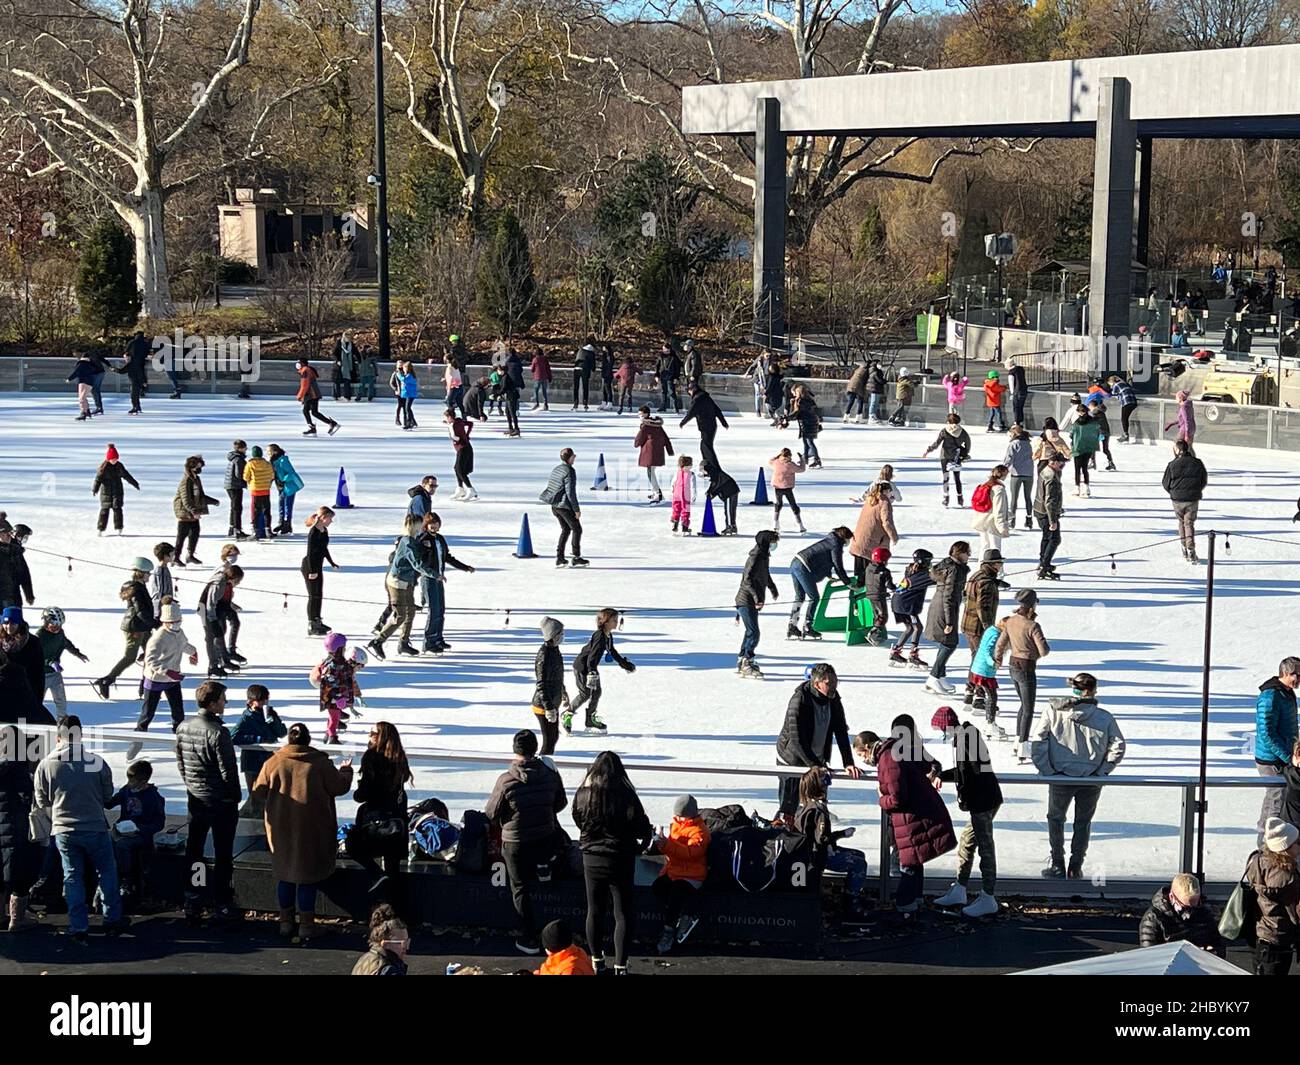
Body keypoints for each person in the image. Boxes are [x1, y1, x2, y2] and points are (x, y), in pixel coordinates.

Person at [254, 722, 353, 942]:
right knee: (307, 876)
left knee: (285, 875)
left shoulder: (273, 762)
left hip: (281, 829)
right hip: (312, 829)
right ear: (308, 740)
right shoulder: (320, 763)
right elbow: (339, 787)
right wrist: (346, 771)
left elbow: (258, 792)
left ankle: (285, 922)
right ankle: (307, 926)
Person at [33, 717, 126, 942]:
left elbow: (41, 799)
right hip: (95, 827)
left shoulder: (46, 764)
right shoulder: (96, 762)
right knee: (107, 872)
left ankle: (78, 926)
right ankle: (112, 918)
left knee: (72, 876)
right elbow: (106, 797)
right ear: (81, 735)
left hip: (63, 830)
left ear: (58, 736)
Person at [1032, 672, 1125, 879]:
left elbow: (1038, 741)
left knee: (1055, 819)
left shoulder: (1053, 712)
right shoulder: (1104, 717)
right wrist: (1102, 771)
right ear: (1093, 690)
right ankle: (1075, 866)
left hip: (1060, 777)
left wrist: (1048, 770)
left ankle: (1057, 863)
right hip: (1091, 779)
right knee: (1083, 822)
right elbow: (1118, 746)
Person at [856, 717, 955, 913]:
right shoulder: (899, 750)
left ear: (867, 748)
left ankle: (905, 909)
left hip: (912, 819)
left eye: (860, 755)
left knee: (908, 863)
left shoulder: (888, 759)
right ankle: (914, 903)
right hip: (920, 815)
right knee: (914, 860)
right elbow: (931, 765)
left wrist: (881, 799)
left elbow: (898, 798)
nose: (862, 760)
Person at [484, 729, 568, 954]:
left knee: (519, 887)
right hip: (545, 836)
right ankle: (544, 866)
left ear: (515, 750)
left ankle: (529, 937)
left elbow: (491, 813)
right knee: (540, 867)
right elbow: (560, 802)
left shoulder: (506, 780)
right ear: (535, 749)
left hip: (515, 842)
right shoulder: (550, 775)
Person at [573, 750, 652, 975]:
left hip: (592, 858)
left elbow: (577, 818)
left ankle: (597, 960)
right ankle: (621, 966)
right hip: (620, 858)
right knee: (623, 913)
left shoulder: (583, 793)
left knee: (594, 910)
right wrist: (640, 843)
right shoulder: (626, 794)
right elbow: (641, 826)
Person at [176, 680, 242, 923]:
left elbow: (181, 763)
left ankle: (194, 896)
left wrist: (193, 787)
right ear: (213, 703)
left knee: (195, 849)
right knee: (223, 854)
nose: (226, 702)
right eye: (223, 698)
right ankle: (222, 901)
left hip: (197, 798)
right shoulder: (218, 732)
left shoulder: (183, 726)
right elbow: (228, 771)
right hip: (220, 802)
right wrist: (234, 796)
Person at [932, 707, 1004, 918]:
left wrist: (963, 793)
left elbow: (970, 771)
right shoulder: (964, 736)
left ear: (946, 725)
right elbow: (965, 771)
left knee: (985, 848)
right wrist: (942, 776)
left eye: (939, 728)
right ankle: (960, 888)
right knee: (966, 841)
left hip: (983, 802)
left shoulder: (967, 736)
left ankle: (988, 896)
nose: (939, 732)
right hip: (981, 801)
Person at [774, 663, 862, 821]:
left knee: (818, 802)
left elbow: (840, 730)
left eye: (836, 682)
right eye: (829, 683)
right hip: (792, 760)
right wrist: (816, 765)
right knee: (789, 806)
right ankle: (782, 834)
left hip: (817, 760)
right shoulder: (799, 701)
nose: (834, 686)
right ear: (816, 683)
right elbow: (797, 741)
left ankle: (815, 829)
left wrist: (848, 762)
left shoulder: (833, 698)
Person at [351, 720, 411, 904]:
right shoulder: (399, 758)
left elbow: (364, 794)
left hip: (377, 821)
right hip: (396, 822)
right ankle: (397, 912)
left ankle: (377, 876)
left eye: (372, 733)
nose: (369, 736)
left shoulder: (372, 757)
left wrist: (355, 787)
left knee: (352, 843)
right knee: (393, 868)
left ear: (381, 737)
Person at [794, 767, 869, 907]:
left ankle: (851, 892)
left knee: (859, 854)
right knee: (859, 864)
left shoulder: (805, 806)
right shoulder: (818, 809)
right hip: (818, 856)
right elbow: (822, 839)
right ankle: (851, 902)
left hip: (810, 853)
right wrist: (842, 834)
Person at [368, 516, 439, 660]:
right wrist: (434, 574)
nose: (422, 528)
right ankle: (378, 641)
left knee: (410, 612)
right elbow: (417, 563)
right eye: (420, 525)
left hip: (407, 581)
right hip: (397, 581)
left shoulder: (413, 540)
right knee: (400, 615)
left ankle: (404, 643)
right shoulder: (407, 542)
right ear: (414, 526)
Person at [994, 588, 1051, 763]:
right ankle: (1023, 746)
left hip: (1012, 665)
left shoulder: (1010, 621)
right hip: (1027, 668)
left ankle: (1018, 741)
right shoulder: (1033, 626)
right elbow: (1044, 650)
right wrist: (1032, 652)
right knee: (1028, 708)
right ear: (1032, 605)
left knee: (1023, 704)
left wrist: (997, 658)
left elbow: (1000, 643)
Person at [133, 598, 197, 753]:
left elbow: (183, 645)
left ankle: (179, 741)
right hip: (156, 679)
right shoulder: (158, 638)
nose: (177, 623)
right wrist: (167, 671)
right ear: (166, 622)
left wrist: (193, 651)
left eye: (179, 620)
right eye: (174, 621)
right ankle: (137, 741)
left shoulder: (179, 633)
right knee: (148, 713)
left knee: (178, 712)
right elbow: (150, 660)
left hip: (173, 679)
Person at [648, 795, 710, 953]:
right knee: (658, 888)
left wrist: (667, 845)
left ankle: (669, 929)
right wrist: (660, 843)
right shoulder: (676, 825)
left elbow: (690, 853)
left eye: (680, 815)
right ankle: (683, 915)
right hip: (674, 870)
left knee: (676, 893)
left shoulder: (700, 831)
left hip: (692, 875)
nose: (677, 817)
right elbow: (672, 850)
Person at [105, 759, 165, 911]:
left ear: (143, 781)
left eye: (132, 781)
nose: (129, 783)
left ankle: (125, 877)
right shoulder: (126, 790)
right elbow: (111, 802)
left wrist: (140, 829)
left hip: (140, 835)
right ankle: (110, 877)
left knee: (122, 845)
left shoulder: (154, 797)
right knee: (107, 841)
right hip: (122, 830)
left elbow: (159, 823)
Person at [91, 557, 155, 700]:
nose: (150, 575)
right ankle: (107, 680)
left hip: (142, 627)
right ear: (140, 573)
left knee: (152, 654)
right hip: (135, 628)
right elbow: (141, 611)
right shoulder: (136, 589)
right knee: (130, 657)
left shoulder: (138, 587)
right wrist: (154, 623)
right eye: (148, 573)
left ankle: (145, 686)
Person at [1254, 657, 1300, 848]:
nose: (1299, 678)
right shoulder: (1270, 697)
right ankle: (1269, 850)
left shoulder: (1286, 693)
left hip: (1281, 757)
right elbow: (1266, 733)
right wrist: (1287, 756)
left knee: (1274, 798)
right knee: (1277, 801)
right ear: (1285, 673)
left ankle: (1264, 844)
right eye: (1295, 674)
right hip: (1272, 760)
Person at [566, 608, 634, 735]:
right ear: (606, 622)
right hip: (582, 667)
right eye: (614, 620)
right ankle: (567, 715)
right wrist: (591, 673)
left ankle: (590, 719)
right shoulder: (600, 636)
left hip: (591, 668)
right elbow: (592, 656)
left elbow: (612, 651)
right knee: (585, 693)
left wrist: (624, 664)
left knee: (596, 692)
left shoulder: (607, 635)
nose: (617, 622)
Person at [1246, 818, 1300, 975]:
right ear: (1286, 848)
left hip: (1258, 932)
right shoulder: (1287, 877)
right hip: (1279, 938)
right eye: (1297, 842)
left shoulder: (1256, 860)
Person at [417, 511, 475, 654]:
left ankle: (438, 638)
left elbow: (447, 557)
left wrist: (464, 567)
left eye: (436, 523)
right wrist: (432, 574)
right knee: (434, 610)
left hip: (439, 579)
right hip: (428, 578)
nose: (434, 526)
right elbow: (419, 562)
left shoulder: (440, 539)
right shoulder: (423, 539)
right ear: (426, 525)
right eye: (431, 524)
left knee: (441, 610)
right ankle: (429, 641)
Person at [0, 722, 39, 930]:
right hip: (14, 826)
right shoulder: (17, 766)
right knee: (19, 872)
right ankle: (17, 918)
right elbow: (27, 795)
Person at [923, 541, 971, 696]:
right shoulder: (955, 570)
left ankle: (940, 676)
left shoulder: (947, 564)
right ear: (960, 553)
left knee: (946, 642)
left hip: (939, 606)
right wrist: (949, 622)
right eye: (967, 553)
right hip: (945, 610)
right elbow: (949, 596)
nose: (969, 555)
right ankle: (933, 677)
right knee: (950, 642)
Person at [787, 526, 852, 640]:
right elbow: (838, 566)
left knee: (800, 596)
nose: (848, 542)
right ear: (844, 538)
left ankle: (792, 625)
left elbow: (822, 558)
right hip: (803, 567)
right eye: (848, 539)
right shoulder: (835, 545)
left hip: (795, 562)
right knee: (814, 597)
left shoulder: (829, 539)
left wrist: (828, 575)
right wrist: (847, 582)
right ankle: (808, 626)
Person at [231, 684, 286, 818]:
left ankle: (266, 821)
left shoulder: (270, 713)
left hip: (269, 761)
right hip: (252, 764)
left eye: (266, 699)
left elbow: (282, 732)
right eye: (261, 700)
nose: (264, 703)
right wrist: (257, 739)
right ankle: (252, 822)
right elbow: (233, 737)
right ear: (251, 702)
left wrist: (273, 720)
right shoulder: (246, 718)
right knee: (256, 795)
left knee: (271, 795)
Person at [1137, 873, 1224, 955]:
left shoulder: (1204, 912)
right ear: (1171, 897)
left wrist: (1214, 952)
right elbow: (1149, 957)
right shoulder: (1153, 919)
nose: (1189, 913)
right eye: (1184, 907)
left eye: (1195, 905)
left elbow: (1219, 947)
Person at [736, 530, 780, 679]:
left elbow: (765, 574)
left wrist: (772, 587)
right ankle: (747, 661)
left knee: (750, 631)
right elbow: (746, 581)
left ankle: (742, 659)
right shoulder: (755, 557)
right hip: (745, 600)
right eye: (774, 541)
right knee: (754, 632)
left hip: (751, 600)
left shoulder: (764, 556)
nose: (776, 544)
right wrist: (756, 598)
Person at [1162, 439, 1207, 564]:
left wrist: (1174, 492)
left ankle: (1184, 547)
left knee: (1182, 522)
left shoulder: (1172, 464)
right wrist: (1195, 490)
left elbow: (1165, 483)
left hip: (1177, 499)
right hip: (1192, 498)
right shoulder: (1197, 463)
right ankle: (1191, 549)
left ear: (1177, 450)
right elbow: (1203, 480)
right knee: (1189, 523)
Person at [313, 633, 364, 744]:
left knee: (333, 716)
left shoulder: (333, 662)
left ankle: (328, 734)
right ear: (339, 649)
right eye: (344, 647)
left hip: (335, 698)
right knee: (334, 717)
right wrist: (338, 697)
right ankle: (332, 737)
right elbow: (331, 683)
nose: (345, 649)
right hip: (334, 698)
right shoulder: (334, 665)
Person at [37, 607, 87, 720]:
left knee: (61, 702)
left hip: (55, 675)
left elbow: (65, 642)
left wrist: (77, 653)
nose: (57, 628)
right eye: (54, 625)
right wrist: (50, 663)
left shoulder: (60, 633)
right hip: (41, 676)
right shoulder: (40, 636)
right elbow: (37, 656)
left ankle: (62, 724)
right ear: (46, 622)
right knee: (36, 702)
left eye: (59, 625)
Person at [889, 549, 934, 670]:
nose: (930, 563)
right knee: (917, 627)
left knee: (910, 628)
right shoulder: (921, 575)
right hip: (905, 605)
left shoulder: (911, 570)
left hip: (898, 602)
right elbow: (935, 578)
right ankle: (913, 655)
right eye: (928, 561)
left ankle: (895, 653)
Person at [541, 448, 587, 568]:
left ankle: (560, 558)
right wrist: (576, 509)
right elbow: (570, 492)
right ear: (569, 458)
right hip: (564, 506)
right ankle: (576, 557)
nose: (574, 458)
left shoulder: (557, 469)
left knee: (566, 529)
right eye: (573, 456)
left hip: (555, 506)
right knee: (577, 529)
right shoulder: (569, 471)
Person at [530, 617, 570, 756]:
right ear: (552, 635)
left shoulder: (555, 650)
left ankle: (545, 765)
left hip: (553, 701)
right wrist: (548, 708)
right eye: (560, 633)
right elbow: (541, 683)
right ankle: (542, 767)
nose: (563, 636)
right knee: (549, 741)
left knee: (554, 738)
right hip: (543, 705)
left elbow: (557, 675)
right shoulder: (544, 655)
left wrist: (563, 692)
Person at [848, 481, 899, 584]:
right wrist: (894, 537)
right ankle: (871, 596)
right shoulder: (884, 502)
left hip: (858, 540)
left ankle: (856, 597)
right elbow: (887, 522)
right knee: (870, 576)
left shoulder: (870, 499)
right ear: (887, 491)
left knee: (859, 577)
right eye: (890, 492)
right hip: (870, 543)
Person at [172, 454, 218, 566]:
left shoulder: (196, 479)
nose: (200, 469)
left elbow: (200, 496)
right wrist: (194, 511)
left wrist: (213, 501)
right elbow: (185, 498)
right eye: (198, 466)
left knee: (195, 534)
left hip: (193, 512)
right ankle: (176, 558)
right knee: (181, 536)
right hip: (184, 511)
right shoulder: (186, 480)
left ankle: (190, 555)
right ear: (191, 467)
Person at [960, 548, 1005, 655]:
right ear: (993, 564)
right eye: (1000, 563)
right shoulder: (987, 583)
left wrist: (996, 582)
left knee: (976, 657)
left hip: (968, 625)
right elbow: (982, 607)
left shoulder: (977, 575)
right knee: (980, 660)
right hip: (977, 628)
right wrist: (988, 628)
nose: (1001, 565)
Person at [301, 506, 338, 637]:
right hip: (310, 566)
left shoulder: (324, 531)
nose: (331, 521)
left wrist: (332, 562)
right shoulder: (314, 532)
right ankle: (311, 624)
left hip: (318, 566)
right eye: (330, 518)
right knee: (313, 596)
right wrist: (312, 571)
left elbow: (324, 549)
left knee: (319, 594)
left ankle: (318, 620)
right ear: (323, 518)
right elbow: (310, 553)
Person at [923, 413, 971, 508]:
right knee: (957, 478)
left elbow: (936, 444)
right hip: (956, 457)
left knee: (945, 477)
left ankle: (946, 498)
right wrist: (964, 454)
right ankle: (960, 499)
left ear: (949, 422)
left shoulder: (944, 431)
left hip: (944, 456)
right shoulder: (963, 432)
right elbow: (968, 444)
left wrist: (928, 451)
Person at [679, 382, 729, 474]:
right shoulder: (706, 397)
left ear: (692, 390)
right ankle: (707, 469)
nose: (689, 393)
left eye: (689, 391)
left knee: (706, 447)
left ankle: (714, 469)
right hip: (711, 426)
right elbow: (717, 410)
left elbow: (691, 413)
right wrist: (723, 422)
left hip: (706, 426)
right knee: (704, 447)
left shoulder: (697, 400)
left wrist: (683, 422)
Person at [92, 444, 141, 536]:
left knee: (118, 510)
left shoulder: (119, 466)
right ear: (108, 459)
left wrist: (135, 483)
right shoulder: (103, 468)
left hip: (117, 492)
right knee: (104, 512)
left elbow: (127, 476)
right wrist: (95, 489)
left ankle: (119, 528)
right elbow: (98, 479)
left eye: (116, 459)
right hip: (106, 493)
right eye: (112, 459)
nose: (114, 461)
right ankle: (101, 529)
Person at [1033, 454, 1067, 581]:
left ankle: (1043, 562)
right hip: (1046, 513)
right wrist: (1053, 520)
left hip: (1039, 509)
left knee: (1047, 538)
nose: (1063, 465)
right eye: (1061, 463)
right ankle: (1044, 566)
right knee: (1054, 539)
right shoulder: (1051, 477)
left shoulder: (1046, 471)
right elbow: (1049, 501)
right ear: (1053, 462)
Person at [352, 906, 411, 975]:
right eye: (401, 943)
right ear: (385, 944)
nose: (406, 948)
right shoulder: (389, 971)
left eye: (407, 942)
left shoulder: (365, 958)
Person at [634, 405, 673, 504]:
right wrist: (669, 450)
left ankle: (657, 493)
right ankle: (655, 491)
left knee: (650, 472)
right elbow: (666, 438)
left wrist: (636, 443)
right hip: (658, 451)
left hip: (650, 452)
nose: (640, 416)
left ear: (646, 414)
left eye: (641, 414)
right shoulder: (657, 425)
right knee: (651, 471)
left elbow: (639, 440)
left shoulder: (646, 425)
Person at [971, 466, 1011, 555]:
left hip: (981, 520)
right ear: (1003, 474)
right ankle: (995, 568)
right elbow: (999, 509)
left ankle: (981, 567)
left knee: (984, 547)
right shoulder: (999, 489)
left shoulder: (984, 485)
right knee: (995, 548)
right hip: (992, 522)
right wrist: (1002, 526)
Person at [1002, 425, 1035, 531]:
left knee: (1014, 499)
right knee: (1028, 497)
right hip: (1029, 473)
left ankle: (1012, 520)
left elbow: (1009, 459)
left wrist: (1003, 471)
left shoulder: (1013, 444)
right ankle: (1029, 519)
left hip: (1016, 473)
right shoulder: (1028, 443)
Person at [297, 356, 339, 436]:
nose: (297, 364)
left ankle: (313, 428)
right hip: (313, 393)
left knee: (306, 411)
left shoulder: (305, 370)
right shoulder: (306, 370)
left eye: (299, 363)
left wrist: (300, 395)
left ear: (302, 363)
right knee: (314, 412)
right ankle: (330, 423)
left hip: (311, 394)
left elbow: (305, 384)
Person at [268, 444, 304, 536]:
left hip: (289, 485)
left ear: (275, 451)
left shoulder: (283, 460)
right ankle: (281, 522)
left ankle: (287, 524)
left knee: (287, 504)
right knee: (281, 504)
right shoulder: (273, 461)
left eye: (269, 451)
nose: (267, 453)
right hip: (281, 486)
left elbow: (291, 473)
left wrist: (283, 480)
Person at [768, 447, 806, 534]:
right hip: (787, 487)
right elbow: (802, 469)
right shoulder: (790, 465)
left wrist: (778, 456)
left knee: (778, 504)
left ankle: (775, 524)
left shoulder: (776, 462)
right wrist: (802, 460)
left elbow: (770, 461)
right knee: (793, 505)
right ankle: (800, 525)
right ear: (789, 456)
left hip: (777, 487)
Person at [241, 445, 275, 541]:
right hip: (266, 489)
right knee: (266, 511)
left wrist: (251, 481)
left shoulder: (250, 464)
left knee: (255, 511)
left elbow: (245, 477)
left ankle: (255, 532)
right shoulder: (267, 464)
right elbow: (272, 475)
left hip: (255, 490)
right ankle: (268, 530)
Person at [702, 459, 740, 536]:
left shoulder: (715, 474)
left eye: (703, 470)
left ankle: (730, 526)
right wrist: (711, 492)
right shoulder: (715, 474)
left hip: (730, 492)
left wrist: (711, 493)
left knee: (729, 511)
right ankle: (732, 526)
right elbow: (715, 485)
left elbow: (716, 485)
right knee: (729, 510)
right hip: (730, 491)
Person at [1068, 405, 1100, 497]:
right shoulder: (1093, 422)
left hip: (1078, 447)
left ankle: (1077, 488)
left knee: (1077, 469)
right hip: (1089, 446)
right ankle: (1086, 488)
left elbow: (1071, 434)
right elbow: (1097, 432)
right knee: (1085, 468)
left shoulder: (1076, 423)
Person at [117, 330, 150, 414]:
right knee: (138, 382)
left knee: (134, 386)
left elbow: (126, 352)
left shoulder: (132, 342)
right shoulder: (145, 343)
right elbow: (146, 353)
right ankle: (142, 388)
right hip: (141, 364)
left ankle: (135, 405)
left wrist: (127, 359)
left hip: (133, 364)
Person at [223, 440, 249, 540]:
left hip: (230, 485)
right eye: (245, 448)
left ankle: (232, 527)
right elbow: (239, 474)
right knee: (237, 508)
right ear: (240, 449)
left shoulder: (234, 457)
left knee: (234, 507)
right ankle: (237, 530)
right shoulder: (238, 459)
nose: (246, 450)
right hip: (235, 486)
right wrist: (245, 481)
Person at [792, 384, 823, 466]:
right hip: (812, 423)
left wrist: (787, 418)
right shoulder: (809, 400)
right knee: (806, 442)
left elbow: (797, 412)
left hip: (808, 423)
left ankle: (817, 459)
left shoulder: (801, 401)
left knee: (809, 442)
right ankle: (805, 459)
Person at [1107, 374, 1140, 442]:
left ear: (1112, 381)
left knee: (1124, 418)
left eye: (1110, 383)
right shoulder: (1124, 383)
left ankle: (1125, 435)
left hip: (1126, 402)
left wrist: (1108, 391)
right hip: (1133, 402)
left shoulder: (1116, 385)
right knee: (1129, 418)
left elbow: (1112, 393)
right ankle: (1128, 434)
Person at [657, 344, 683, 414]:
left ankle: (675, 407)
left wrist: (676, 377)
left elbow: (677, 368)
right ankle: (663, 406)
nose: (664, 351)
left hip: (671, 377)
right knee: (663, 392)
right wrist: (656, 375)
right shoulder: (660, 356)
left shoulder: (674, 357)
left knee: (672, 392)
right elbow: (657, 366)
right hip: (663, 376)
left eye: (666, 350)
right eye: (664, 349)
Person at [573, 337, 596, 410]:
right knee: (585, 386)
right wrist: (593, 369)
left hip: (576, 369)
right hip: (584, 370)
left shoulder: (580, 350)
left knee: (576, 387)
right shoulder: (591, 353)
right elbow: (593, 364)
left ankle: (575, 402)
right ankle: (585, 402)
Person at [1004, 358, 1028, 426]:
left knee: (1016, 408)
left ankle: (1017, 422)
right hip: (1024, 389)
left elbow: (1011, 384)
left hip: (1017, 392)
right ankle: (1021, 421)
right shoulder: (1020, 369)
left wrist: (1012, 393)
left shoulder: (1011, 372)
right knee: (1021, 407)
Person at [529, 345, 552, 410]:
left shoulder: (535, 359)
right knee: (544, 391)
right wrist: (550, 377)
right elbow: (548, 368)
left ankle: (536, 403)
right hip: (544, 377)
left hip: (537, 377)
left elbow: (532, 369)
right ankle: (545, 404)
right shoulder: (545, 359)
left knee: (536, 390)